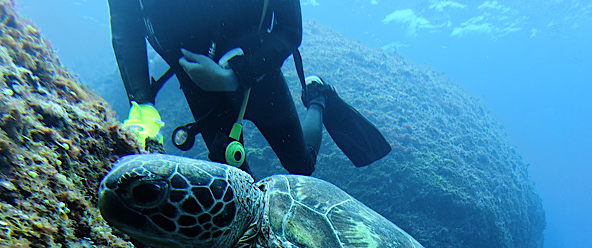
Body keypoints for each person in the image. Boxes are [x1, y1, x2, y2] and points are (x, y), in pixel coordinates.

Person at [107, 0, 388, 173]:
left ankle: (318, 97)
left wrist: (235, 76)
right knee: (237, 188)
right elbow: (125, 24)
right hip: (200, 90)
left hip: (259, 76)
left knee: (301, 166)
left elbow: (290, 30)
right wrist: (142, 102)